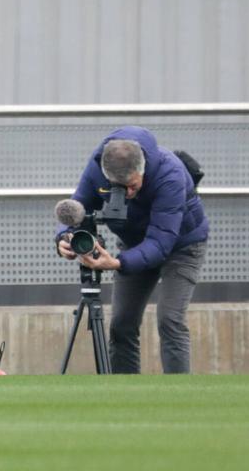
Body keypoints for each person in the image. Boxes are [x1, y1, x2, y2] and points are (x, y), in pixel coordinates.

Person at [56, 128, 209, 373]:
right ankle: (125, 391)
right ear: (106, 174)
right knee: (121, 324)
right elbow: (79, 204)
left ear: (142, 169)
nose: (127, 193)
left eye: (132, 185)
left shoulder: (170, 174)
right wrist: (64, 236)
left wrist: (117, 263)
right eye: (118, 187)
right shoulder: (97, 166)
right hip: (134, 243)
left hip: (182, 246)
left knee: (170, 319)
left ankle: (178, 391)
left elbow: (160, 243)